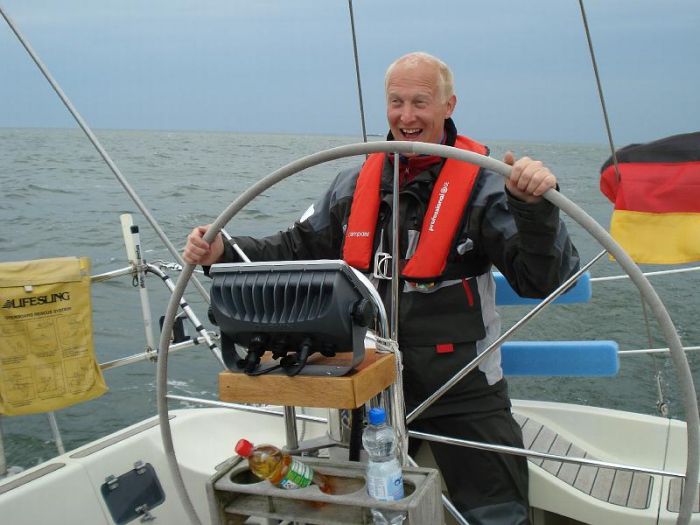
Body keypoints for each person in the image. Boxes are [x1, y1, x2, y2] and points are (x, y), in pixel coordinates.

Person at [183, 52, 580, 525]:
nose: (406, 116)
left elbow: (543, 280)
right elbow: (295, 246)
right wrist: (223, 251)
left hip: (463, 387)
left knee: (499, 514)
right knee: (360, 510)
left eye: (420, 102)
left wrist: (533, 209)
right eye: (396, 102)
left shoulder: (486, 185)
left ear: (449, 105)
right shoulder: (354, 182)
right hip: (373, 381)